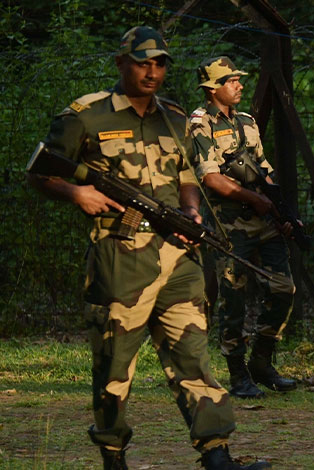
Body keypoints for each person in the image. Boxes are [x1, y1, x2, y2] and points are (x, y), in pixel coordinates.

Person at [27, 26, 270, 469]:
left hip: (178, 256)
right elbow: (40, 171)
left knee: (193, 356)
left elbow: (186, 177)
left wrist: (192, 212)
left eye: (159, 63)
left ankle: (217, 455)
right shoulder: (87, 115)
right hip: (120, 257)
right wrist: (77, 194)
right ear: (121, 63)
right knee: (114, 365)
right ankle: (113, 455)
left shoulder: (176, 118)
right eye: (143, 62)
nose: (151, 71)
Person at [189, 56, 297, 399]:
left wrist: (280, 212)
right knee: (233, 299)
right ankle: (237, 375)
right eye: (230, 80)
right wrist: (254, 198)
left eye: (238, 79)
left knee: (283, 288)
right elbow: (211, 178)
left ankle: (261, 362)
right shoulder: (200, 123)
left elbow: (264, 171)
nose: (239, 84)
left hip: (263, 220)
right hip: (229, 225)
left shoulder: (248, 121)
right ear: (212, 88)